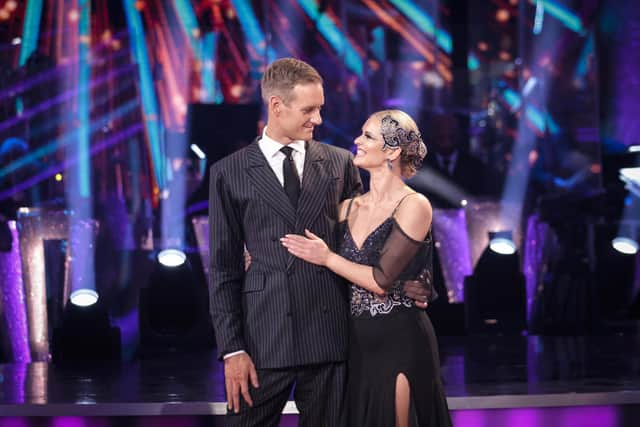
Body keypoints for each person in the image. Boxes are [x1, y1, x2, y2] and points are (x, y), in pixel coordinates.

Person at [208, 58, 429, 426]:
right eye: (308, 109)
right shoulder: (229, 172)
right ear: (277, 106)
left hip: (330, 337)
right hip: (264, 338)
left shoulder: (340, 163)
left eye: (320, 108)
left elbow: (367, 245)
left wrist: (416, 280)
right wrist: (233, 350)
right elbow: (223, 268)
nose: (318, 119)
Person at [282, 110, 453, 427]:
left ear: (392, 151)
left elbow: (381, 280)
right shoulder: (347, 207)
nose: (357, 141)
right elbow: (298, 241)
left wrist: (328, 257)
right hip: (352, 344)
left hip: (399, 340)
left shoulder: (414, 205)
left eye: (368, 136)